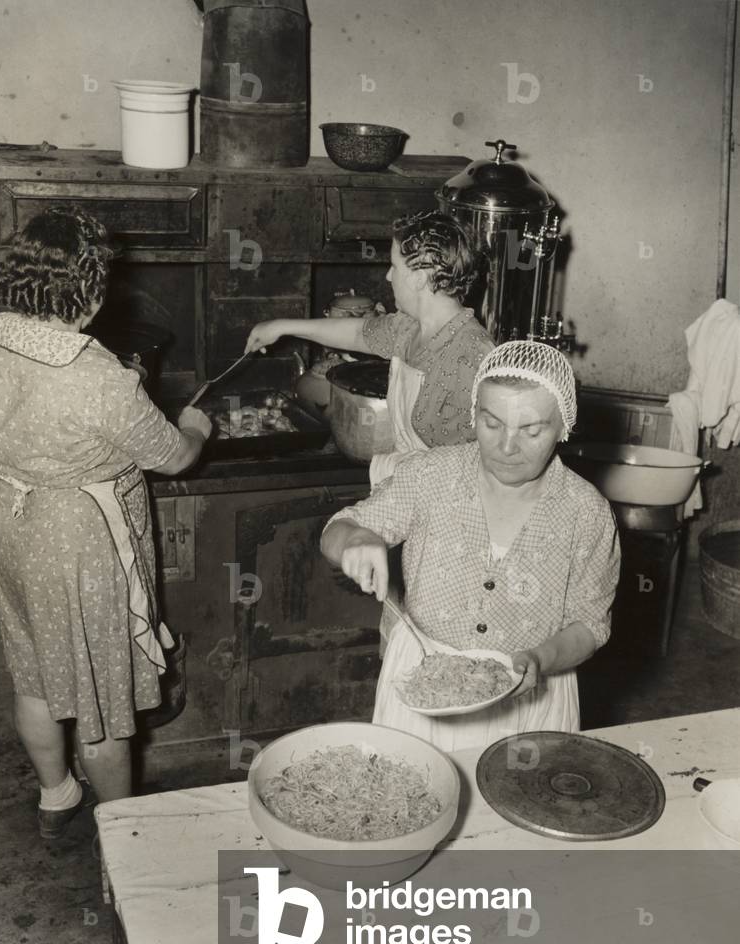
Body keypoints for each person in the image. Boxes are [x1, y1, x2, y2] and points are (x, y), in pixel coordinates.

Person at [0, 207, 212, 836]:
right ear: (91, 290)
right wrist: (196, 427)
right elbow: (172, 457)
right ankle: (122, 835)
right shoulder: (98, 378)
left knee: (36, 674)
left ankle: (55, 795)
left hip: (13, 521)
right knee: (102, 702)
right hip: (84, 545)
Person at [320, 340, 621, 751]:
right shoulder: (432, 475)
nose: (507, 447)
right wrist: (357, 539)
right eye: (492, 424)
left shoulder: (586, 512)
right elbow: (340, 528)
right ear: (473, 414)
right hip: (423, 682)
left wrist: (539, 660)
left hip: (532, 695)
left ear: (564, 427)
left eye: (532, 430)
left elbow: (590, 623)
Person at [245, 209, 494, 487]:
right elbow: (357, 333)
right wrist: (281, 327)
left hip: (446, 502)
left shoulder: (471, 356)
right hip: (411, 483)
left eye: (394, 266)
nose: (388, 277)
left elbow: (473, 470)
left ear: (418, 278)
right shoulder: (410, 327)